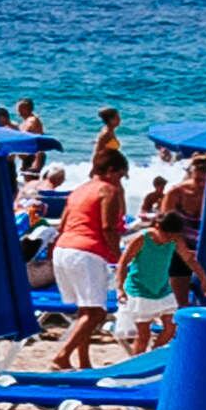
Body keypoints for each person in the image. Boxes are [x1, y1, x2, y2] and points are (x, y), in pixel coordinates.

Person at [44, 146, 130, 369]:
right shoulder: (107, 191)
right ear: (111, 171)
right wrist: (119, 258)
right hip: (86, 252)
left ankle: (83, 360)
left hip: (63, 250)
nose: (120, 181)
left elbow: (62, 224)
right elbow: (108, 227)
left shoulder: (79, 190)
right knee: (97, 313)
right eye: (120, 175)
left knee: (85, 309)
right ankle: (61, 356)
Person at [114, 179, 189, 359]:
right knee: (143, 335)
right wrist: (119, 289)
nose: (169, 238)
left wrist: (203, 278)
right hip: (140, 290)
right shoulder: (143, 238)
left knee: (171, 327)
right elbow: (123, 262)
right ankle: (135, 367)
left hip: (161, 289)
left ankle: (151, 357)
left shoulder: (174, 240)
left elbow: (189, 259)